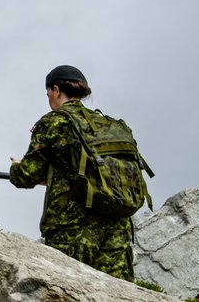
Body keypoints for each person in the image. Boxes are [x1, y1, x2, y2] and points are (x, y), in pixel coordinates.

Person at [9, 65, 135, 281]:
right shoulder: (107, 124)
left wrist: (16, 167)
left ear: (56, 90)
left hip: (72, 230)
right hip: (118, 229)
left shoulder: (54, 121)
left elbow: (25, 177)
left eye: (48, 93)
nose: (48, 98)